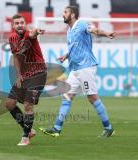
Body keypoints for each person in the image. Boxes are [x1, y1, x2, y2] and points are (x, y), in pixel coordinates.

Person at [39, 6, 115, 137]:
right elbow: (76, 46)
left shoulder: (82, 24)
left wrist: (106, 33)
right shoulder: (69, 30)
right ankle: (57, 129)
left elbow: (94, 30)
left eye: (65, 12)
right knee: (67, 96)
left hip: (85, 67)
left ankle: (109, 128)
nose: (63, 14)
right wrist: (66, 55)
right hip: (75, 68)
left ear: (73, 14)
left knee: (92, 98)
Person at [5, 14, 47, 146]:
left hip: (38, 73)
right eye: (17, 23)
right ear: (13, 26)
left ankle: (25, 137)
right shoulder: (12, 38)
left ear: (25, 24)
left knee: (28, 105)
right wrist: (19, 75)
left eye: (22, 22)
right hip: (25, 75)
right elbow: (16, 57)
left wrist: (38, 31)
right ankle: (29, 130)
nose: (20, 25)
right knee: (9, 104)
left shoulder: (29, 34)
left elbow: (34, 33)